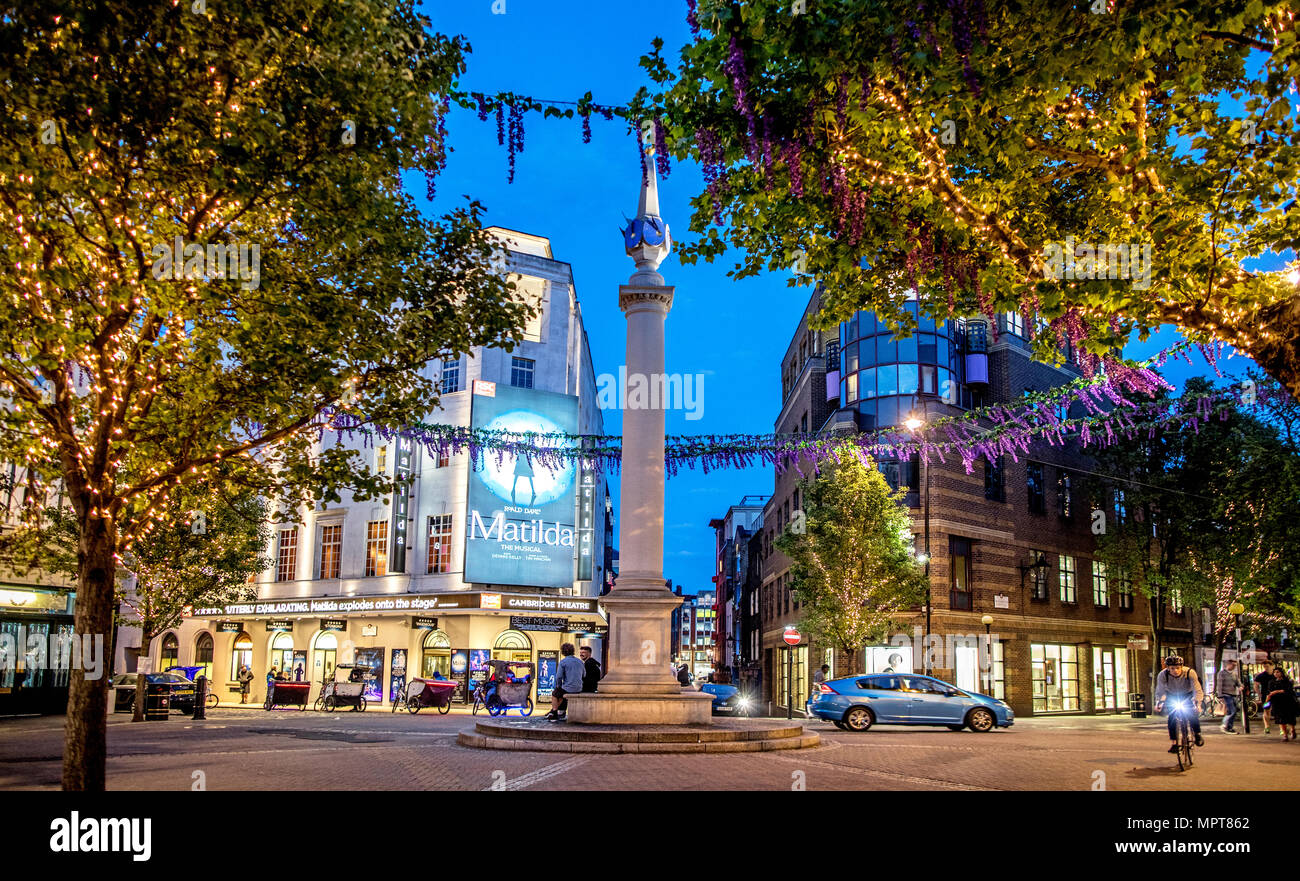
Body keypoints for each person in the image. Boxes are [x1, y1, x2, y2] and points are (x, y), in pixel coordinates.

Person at [1154, 655, 1204, 754]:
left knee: (1192, 714)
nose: (1175, 671)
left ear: (1181, 667)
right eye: (1172, 668)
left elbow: (1196, 689)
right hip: (1172, 695)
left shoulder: (1190, 672)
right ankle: (1174, 743)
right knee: (1172, 718)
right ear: (1167, 668)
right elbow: (1160, 691)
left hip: (1187, 695)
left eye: (1178, 668)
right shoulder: (1162, 675)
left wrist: (1197, 704)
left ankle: (1197, 734)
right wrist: (1159, 703)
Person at [546, 643, 585, 722]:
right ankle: (556, 712)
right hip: (579, 688)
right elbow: (584, 675)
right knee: (561, 694)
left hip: (568, 688)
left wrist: (558, 686)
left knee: (555, 693)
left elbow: (558, 677)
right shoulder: (580, 662)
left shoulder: (563, 662)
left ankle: (554, 712)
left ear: (563, 652)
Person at [1265, 665, 1298, 741]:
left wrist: (1277, 691)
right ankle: (1285, 735)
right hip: (1277, 703)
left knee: (1290, 718)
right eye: (1274, 672)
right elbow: (1269, 692)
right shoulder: (1271, 682)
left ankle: (1292, 730)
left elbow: (1288, 690)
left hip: (1288, 702)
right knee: (1280, 719)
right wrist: (1267, 702)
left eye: (1278, 672)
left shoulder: (1287, 681)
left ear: (1281, 673)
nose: (1276, 674)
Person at [1216, 659, 1243, 733]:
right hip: (1226, 694)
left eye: (1235, 665)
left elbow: (1238, 682)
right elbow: (1219, 685)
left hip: (1233, 694)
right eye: (1233, 665)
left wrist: (1240, 686)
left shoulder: (1234, 674)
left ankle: (1229, 727)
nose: (1234, 667)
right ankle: (1224, 725)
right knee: (1232, 711)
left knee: (1233, 711)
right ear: (1228, 664)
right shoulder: (1221, 673)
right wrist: (1220, 696)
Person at [1256, 664, 1277, 734]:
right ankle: (1266, 727)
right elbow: (1255, 685)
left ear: (1272, 666)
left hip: (1276, 695)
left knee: (1277, 710)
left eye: (1267, 666)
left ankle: (1282, 727)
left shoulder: (1275, 674)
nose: (1266, 668)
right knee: (1266, 710)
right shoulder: (1261, 675)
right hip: (1265, 696)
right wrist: (1259, 694)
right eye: (1264, 666)